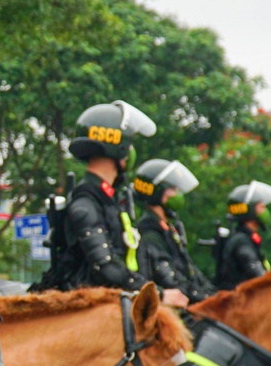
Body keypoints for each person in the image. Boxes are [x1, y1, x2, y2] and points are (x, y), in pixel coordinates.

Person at [36, 100, 187, 305]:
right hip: (92, 310)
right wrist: (159, 294)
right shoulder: (86, 203)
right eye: (130, 143)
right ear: (119, 147)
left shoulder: (110, 200)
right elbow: (105, 267)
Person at [133, 158, 213, 304]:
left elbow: (190, 270)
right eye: (173, 189)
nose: (177, 194)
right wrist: (204, 299)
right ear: (158, 192)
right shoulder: (150, 234)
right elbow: (170, 280)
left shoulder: (167, 228)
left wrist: (214, 295)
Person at [213, 180, 271, 291]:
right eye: (262, 207)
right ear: (250, 210)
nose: (265, 211)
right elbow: (254, 270)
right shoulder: (241, 241)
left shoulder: (245, 237)